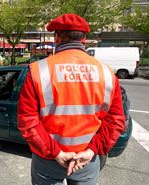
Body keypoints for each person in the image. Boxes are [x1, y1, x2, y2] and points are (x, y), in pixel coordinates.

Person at [17, 13, 125, 185]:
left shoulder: (38, 71)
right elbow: (116, 121)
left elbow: (27, 122)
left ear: (57, 37)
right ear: (84, 39)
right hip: (86, 160)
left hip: (48, 160)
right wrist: (91, 151)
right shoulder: (106, 73)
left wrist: (57, 153)